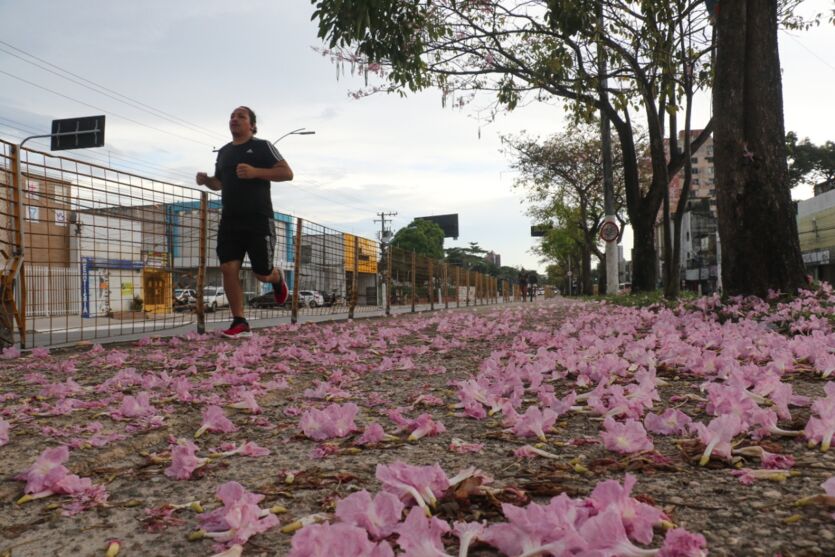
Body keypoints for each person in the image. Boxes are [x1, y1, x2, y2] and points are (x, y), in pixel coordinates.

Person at [196, 106, 294, 338]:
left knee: (262, 274)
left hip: (259, 218)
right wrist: (206, 180)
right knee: (228, 267)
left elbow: (287, 173)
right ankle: (240, 321)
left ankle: (277, 278)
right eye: (232, 116)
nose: (234, 119)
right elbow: (219, 183)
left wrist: (255, 171)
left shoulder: (262, 146)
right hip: (230, 220)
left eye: (241, 116)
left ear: (252, 125)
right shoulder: (224, 152)